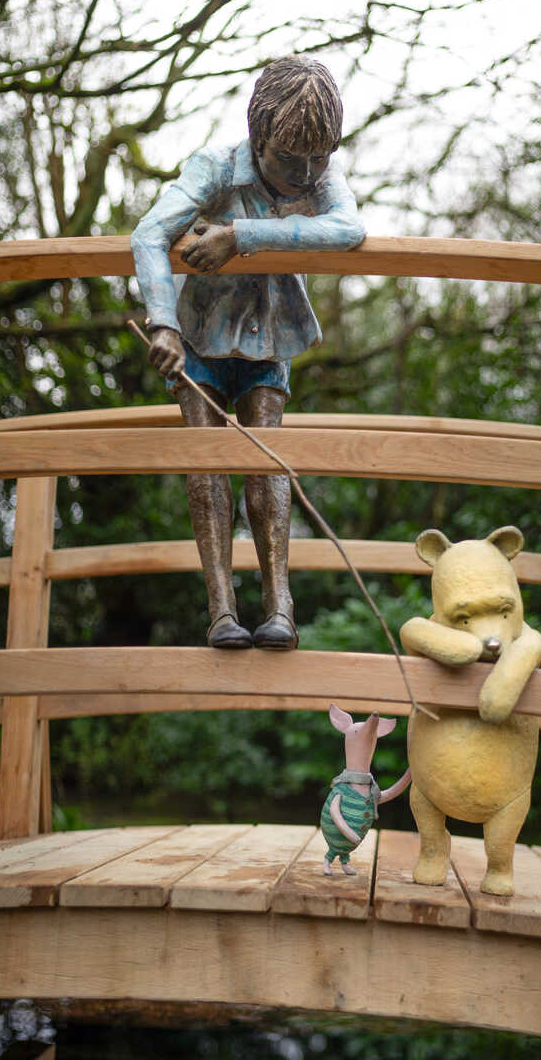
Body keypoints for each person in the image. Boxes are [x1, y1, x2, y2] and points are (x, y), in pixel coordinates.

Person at [131, 56, 365, 651]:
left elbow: (346, 230)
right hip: (200, 337)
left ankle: (280, 604)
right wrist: (161, 324)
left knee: (268, 465)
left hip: (270, 336)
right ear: (260, 138)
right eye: (290, 158)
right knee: (207, 469)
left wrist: (242, 238)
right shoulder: (215, 168)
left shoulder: (319, 177)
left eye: (319, 157)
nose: (307, 172)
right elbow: (148, 233)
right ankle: (221, 610)